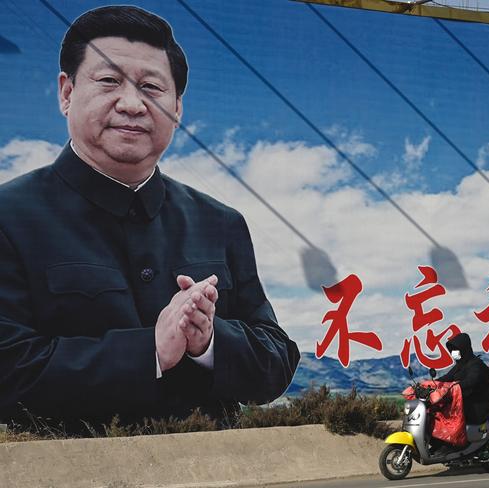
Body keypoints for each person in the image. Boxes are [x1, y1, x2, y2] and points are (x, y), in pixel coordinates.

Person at [0, 5, 300, 429]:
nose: (131, 104)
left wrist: (209, 341)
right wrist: (152, 351)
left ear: (177, 107)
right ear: (66, 92)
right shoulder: (10, 217)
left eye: (151, 87)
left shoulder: (221, 222)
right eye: (108, 81)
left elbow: (275, 360)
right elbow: (8, 369)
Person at [438, 333, 489, 425]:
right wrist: (431, 383)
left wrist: (453, 388)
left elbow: (471, 381)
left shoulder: (476, 364)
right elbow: (447, 377)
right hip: (464, 403)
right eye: (452, 350)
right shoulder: (461, 365)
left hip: (476, 407)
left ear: (463, 349)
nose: (453, 353)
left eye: (456, 350)